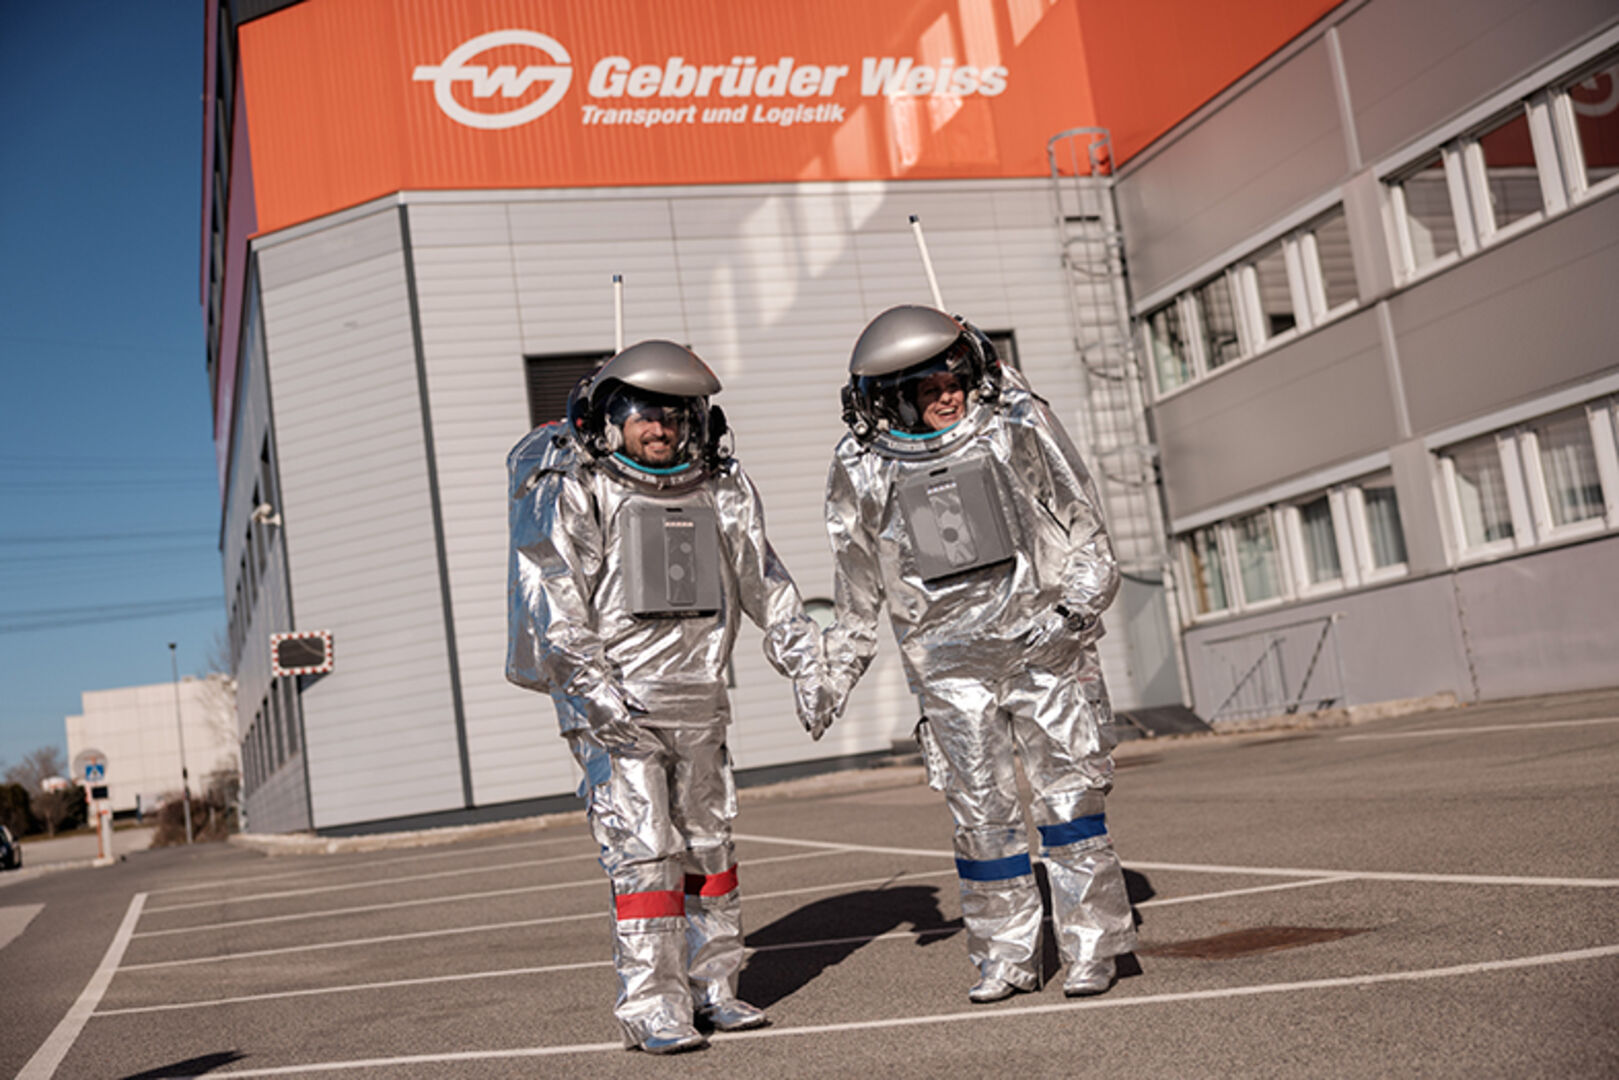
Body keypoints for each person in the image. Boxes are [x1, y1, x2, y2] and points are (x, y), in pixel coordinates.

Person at [507, 340, 827, 1054]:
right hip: (617, 706)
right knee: (646, 852)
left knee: (709, 850)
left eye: (675, 416)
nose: (661, 429)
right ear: (610, 421)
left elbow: (763, 582)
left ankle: (715, 989)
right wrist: (595, 700)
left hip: (699, 698)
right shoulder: (580, 487)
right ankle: (653, 1005)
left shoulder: (718, 488)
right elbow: (555, 606)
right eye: (644, 415)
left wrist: (806, 664)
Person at [820, 304, 1136, 1003]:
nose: (947, 396)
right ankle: (1005, 955)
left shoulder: (1015, 425)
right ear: (893, 399)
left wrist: (1070, 615)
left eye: (953, 379)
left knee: (1070, 803)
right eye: (927, 390)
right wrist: (835, 668)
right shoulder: (863, 465)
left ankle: (1091, 946)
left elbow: (1088, 536)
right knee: (980, 814)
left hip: (1039, 646)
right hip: (948, 664)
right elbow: (855, 581)